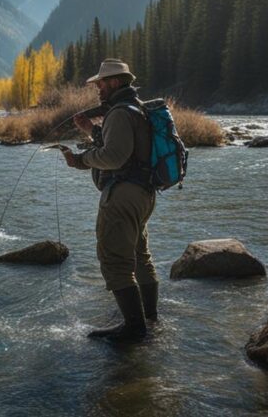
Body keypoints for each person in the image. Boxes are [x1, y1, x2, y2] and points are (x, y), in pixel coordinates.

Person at [61, 58, 158, 342]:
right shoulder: (137, 109)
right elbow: (125, 145)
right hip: (144, 194)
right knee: (140, 255)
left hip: (122, 195)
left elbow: (114, 156)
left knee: (114, 258)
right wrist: (90, 130)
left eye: (101, 83)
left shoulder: (118, 113)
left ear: (115, 82)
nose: (97, 88)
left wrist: (80, 160)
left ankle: (133, 327)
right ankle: (149, 317)